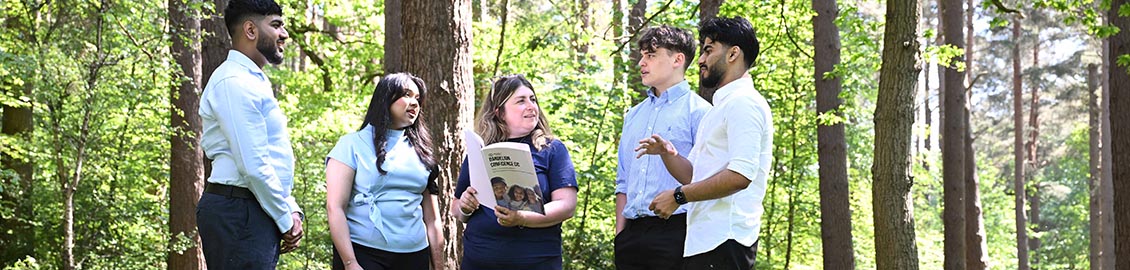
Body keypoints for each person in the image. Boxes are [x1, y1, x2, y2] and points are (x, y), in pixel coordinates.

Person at [637, 16, 770, 270]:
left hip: (726, 241)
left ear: (733, 54)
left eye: (708, 50)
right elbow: (694, 177)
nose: (700, 60)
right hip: (704, 242)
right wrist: (667, 154)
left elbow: (741, 175)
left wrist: (678, 196)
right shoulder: (718, 109)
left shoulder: (744, 102)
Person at [195, 0, 304, 268]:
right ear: (250, 30)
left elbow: (270, 155)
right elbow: (253, 164)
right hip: (240, 209)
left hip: (251, 206)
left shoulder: (252, 80)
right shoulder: (234, 81)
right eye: (276, 25)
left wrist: (289, 207)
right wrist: (285, 218)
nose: (284, 34)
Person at [451, 75, 578, 269]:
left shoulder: (551, 149)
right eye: (521, 101)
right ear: (500, 112)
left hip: (536, 261)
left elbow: (567, 206)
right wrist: (465, 207)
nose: (531, 106)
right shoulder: (482, 150)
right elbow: (456, 207)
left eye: (533, 99)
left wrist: (522, 218)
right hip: (478, 259)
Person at [613, 25, 711, 270]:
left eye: (651, 55)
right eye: (642, 55)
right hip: (630, 238)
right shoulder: (633, 116)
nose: (641, 63)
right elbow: (623, 182)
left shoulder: (701, 113)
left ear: (677, 60)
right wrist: (619, 236)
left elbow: (705, 179)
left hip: (678, 233)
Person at [325, 73, 445, 270]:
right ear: (386, 98)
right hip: (363, 253)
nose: (414, 103)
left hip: (415, 255)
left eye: (417, 98)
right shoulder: (351, 145)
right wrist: (350, 262)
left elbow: (432, 220)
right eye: (406, 94)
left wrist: (439, 267)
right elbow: (335, 207)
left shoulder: (423, 153)